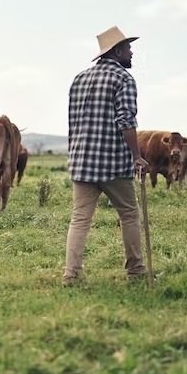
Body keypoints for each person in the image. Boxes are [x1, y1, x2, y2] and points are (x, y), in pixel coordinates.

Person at [63, 26, 149, 286]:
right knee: (130, 215)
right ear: (118, 50)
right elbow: (126, 120)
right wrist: (136, 155)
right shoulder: (122, 78)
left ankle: (71, 275)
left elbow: (74, 121)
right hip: (113, 163)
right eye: (129, 47)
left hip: (82, 162)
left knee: (79, 220)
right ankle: (135, 271)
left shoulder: (79, 79)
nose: (132, 52)